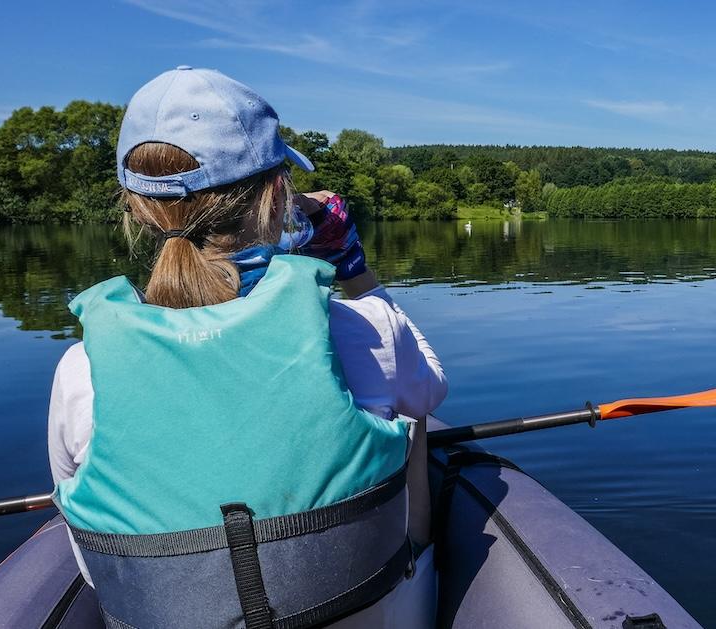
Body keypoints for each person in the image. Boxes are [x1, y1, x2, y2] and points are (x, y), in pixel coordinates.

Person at [46, 66, 446, 628]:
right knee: (418, 418)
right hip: (371, 609)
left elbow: (91, 551)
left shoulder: (81, 371)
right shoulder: (366, 329)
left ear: (135, 206)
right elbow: (432, 386)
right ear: (278, 191)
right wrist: (350, 264)